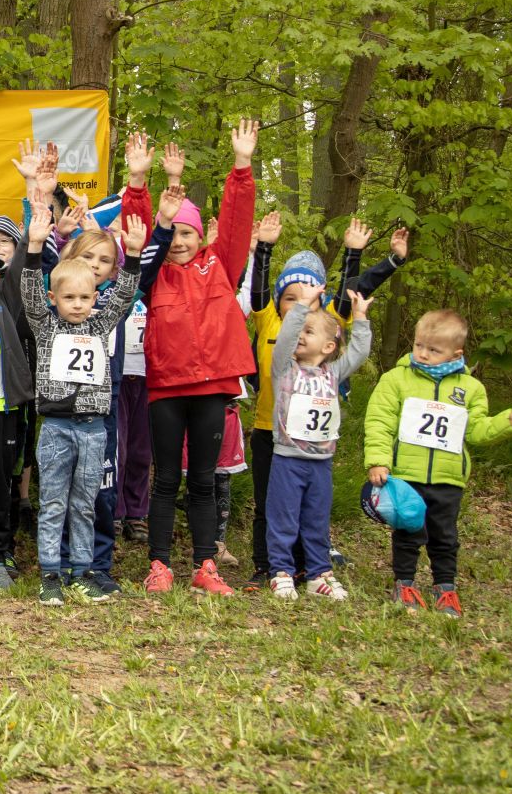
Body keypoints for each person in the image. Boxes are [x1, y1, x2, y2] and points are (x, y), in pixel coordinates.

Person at [122, 120, 259, 596]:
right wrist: (138, 184)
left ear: (202, 237)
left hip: (213, 387)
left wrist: (242, 167)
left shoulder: (221, 266)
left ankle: (206, 565)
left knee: (202, 480)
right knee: (165, 482)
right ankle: (159, 565)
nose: (179, 240)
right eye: (174, 232)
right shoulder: (155, 273)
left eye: (188, 232)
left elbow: (238, 222)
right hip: (166, 387)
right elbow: (139, 235)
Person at [363, 310, 512, 617]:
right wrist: (378, 461)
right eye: (419, 345)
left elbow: (476, 430)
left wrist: (508, 422)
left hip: (448, 478)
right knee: (408, 532)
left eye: (433, 350)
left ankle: (445, 588)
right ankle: (405, 584)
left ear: (456, 353)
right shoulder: (396, 379)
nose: (423, 354)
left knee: (445, 535)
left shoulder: (471, 390)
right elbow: (379, 421)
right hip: (406, 474)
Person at [21, 210, 146, 605]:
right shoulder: (46, 325)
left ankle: (82, 571)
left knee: (85, 502)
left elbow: (124, 296)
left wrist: (136, 254)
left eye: (84, 298)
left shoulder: (100, 325)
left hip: (94, 429)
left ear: (96, 297)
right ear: (54, 298)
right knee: (54, 501)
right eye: (68, 298)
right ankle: (50, 574)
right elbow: (28, 292)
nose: (76, 305)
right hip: (57, 428)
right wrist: (35, 247)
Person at [265, 286, 373, 602]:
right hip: (288, 459)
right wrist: (300, 309)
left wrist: (361, 318)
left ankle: (318, 574)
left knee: (316, 520)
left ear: (328, 345)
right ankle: (281, 572)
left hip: (321, 463)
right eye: (301, 329)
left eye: (309, 331)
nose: (300, 335)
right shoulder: (285, 369)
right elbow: (285, 339)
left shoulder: (333, 373)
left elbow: (358, 353)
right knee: (283, 519)